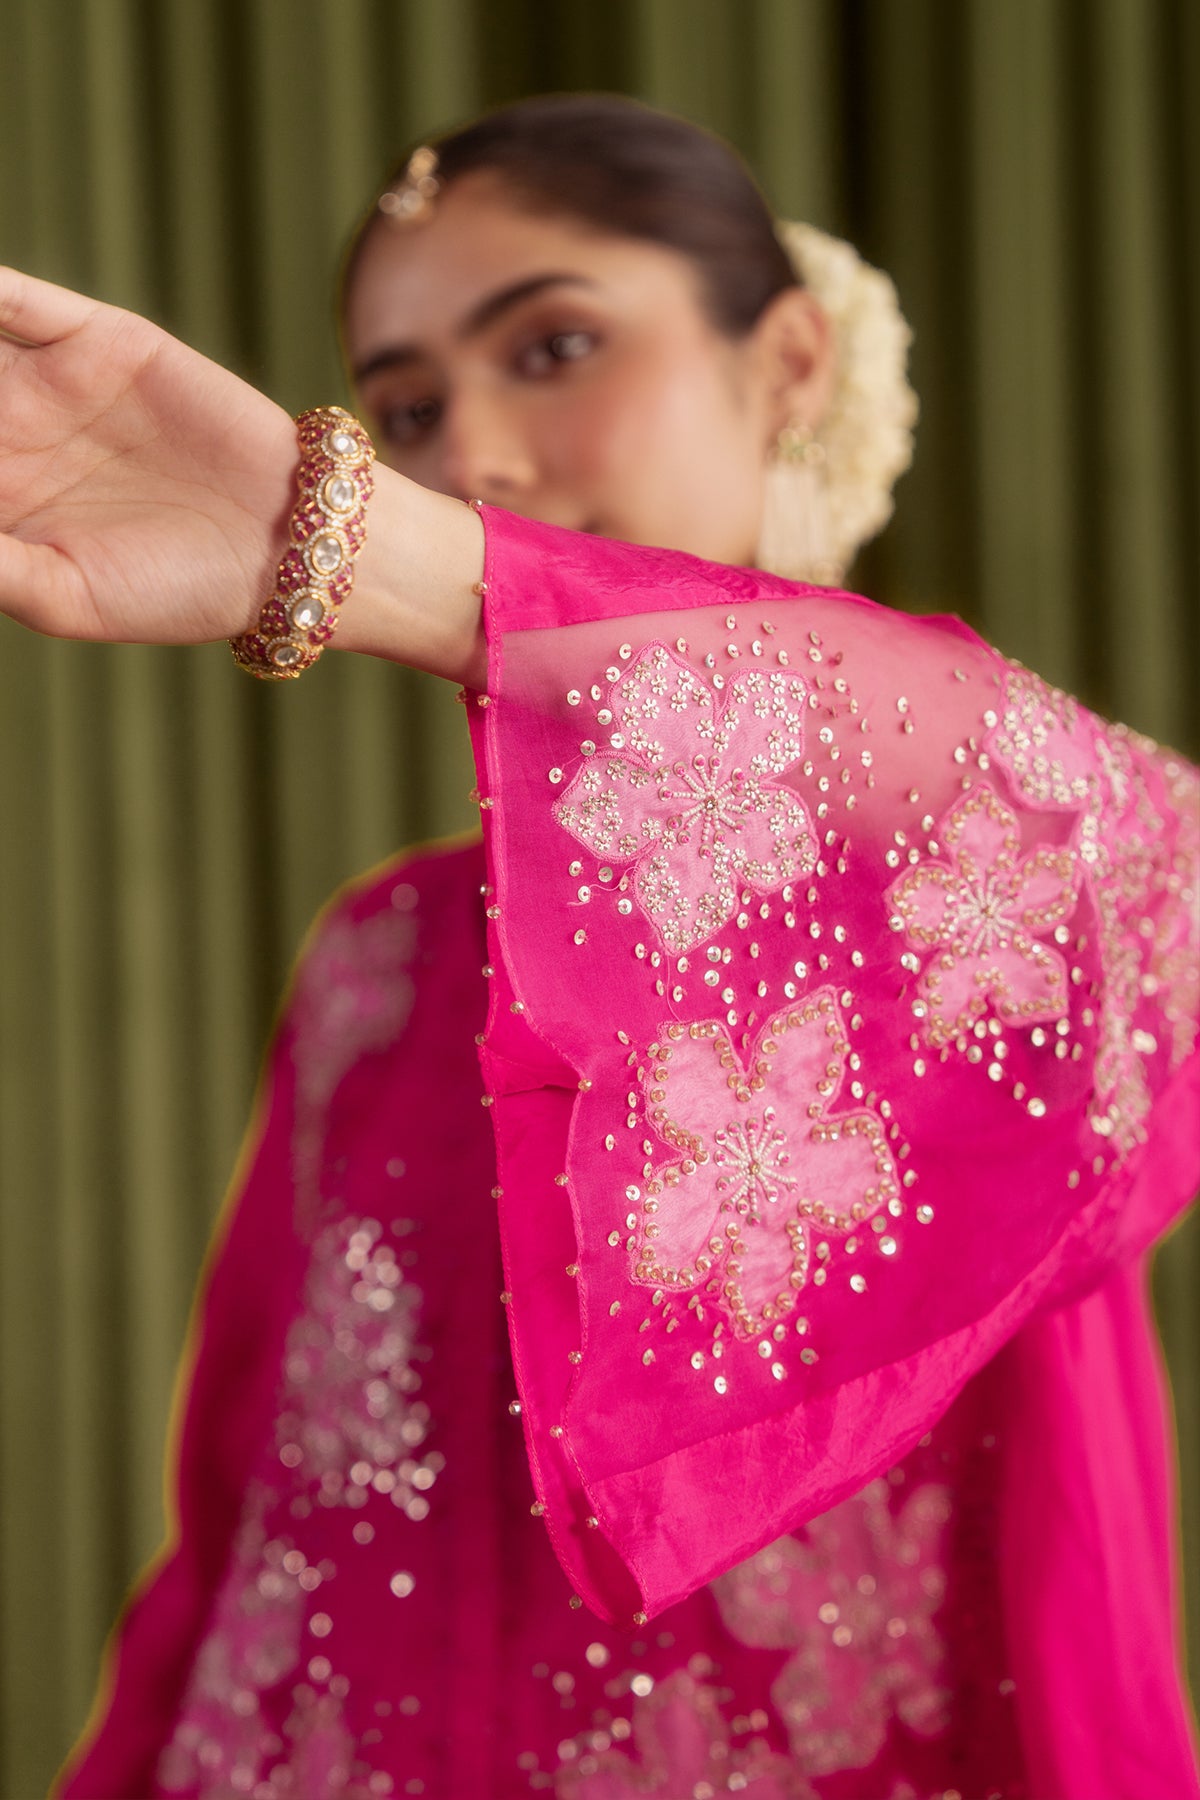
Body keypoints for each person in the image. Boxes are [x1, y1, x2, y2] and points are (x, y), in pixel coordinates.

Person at [0, 93, 1194, 1800]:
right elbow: (242, 1529)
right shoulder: (381, 964)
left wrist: (324, 534)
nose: (467, 450)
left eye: (552, 344)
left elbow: (1113, 832)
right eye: (403, 406)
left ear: (787, 361)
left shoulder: (978, 830)